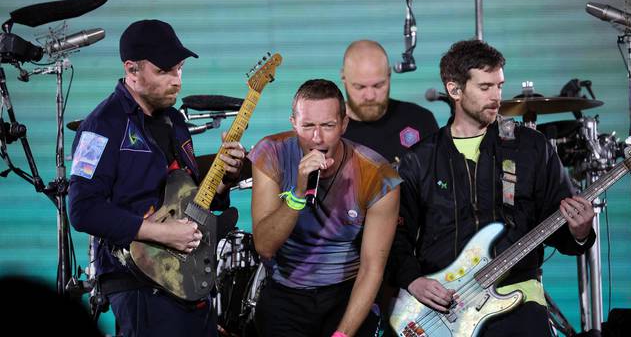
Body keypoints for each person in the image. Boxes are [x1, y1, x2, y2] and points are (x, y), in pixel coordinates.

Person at [387, 39, 596, 336]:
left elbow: (559, 227)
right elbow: (395, 237)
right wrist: (413, 280)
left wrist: (579, 232)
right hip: (445, 307)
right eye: (485, 87)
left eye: (499, 85)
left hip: (519, 296)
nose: (496, 96)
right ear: (454, 90)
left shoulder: (531, 148)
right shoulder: (419, 159)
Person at [68, 19, 246, 337]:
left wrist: (223, 181)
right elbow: (83, 209)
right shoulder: (101, 126)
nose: (176, 80)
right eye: (164, 71)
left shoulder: (175, 121)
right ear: (132, 70)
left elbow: (186, 199)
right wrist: (162, 234)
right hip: (139, 282)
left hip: (190, 278)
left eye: (178, 69)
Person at [248, 79, 401, 337]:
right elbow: (264, 245)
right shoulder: (271, 152)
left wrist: (342, 334)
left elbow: (372, 269)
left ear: (344, 124)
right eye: (307, 126)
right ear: (293, 123)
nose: (316, 138)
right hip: (285, 290)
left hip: (344, 291)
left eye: (328, 126)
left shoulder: (377, 175)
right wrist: (298, 193)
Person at [341, 40, 438, 164]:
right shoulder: (327, 129)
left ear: (389, 75)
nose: (370, 96)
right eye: (360, 87)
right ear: (344, 78)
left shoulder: (420, 120)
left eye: (378, 85)